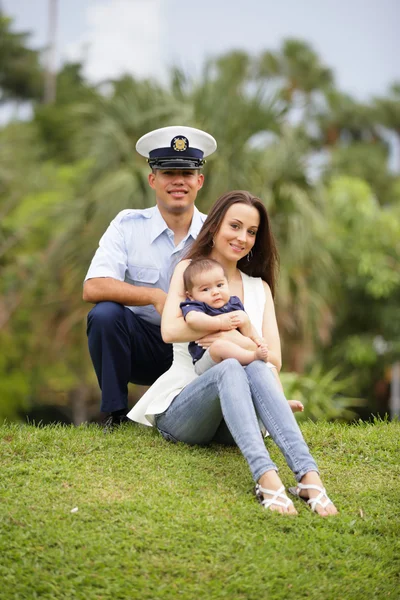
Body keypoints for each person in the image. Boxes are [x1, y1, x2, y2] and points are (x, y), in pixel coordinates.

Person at [128, 190, 338, 516]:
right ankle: (267, 480)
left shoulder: (259, 288)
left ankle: (311, 480)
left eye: (252, 232)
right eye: (235, 226)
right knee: (230, 367)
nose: (242, 238)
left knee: (253, 365)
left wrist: (232, 339)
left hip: (235, 418)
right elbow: (170, 330)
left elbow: (273, 359)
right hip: (187, 406)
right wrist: (228, 330)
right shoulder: (189, 270)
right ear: (214, 227)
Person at [83, 126, 217, 429]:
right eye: (168, 172)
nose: (178, 181)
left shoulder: (216, 231)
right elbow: (93, 286)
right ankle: (115, 415)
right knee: (104, 314)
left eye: (186, 173)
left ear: (199, 180)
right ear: (153, 179)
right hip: (142, 346)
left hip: (199, 348)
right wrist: (155, 297)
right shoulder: (128, 225)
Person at [180, 257, 304, 413]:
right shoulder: (196, 306)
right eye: (205, 289)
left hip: (237, 357)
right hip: (207, 359)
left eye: (220, 285)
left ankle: (279, 401)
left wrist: (255, 338)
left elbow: (248, 329)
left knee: (268, 365)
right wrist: (220, 323)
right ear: (190, 295)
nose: (215, 292)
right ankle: (252, 357)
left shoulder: (233, 304)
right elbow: (192, 319)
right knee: (221, 345)